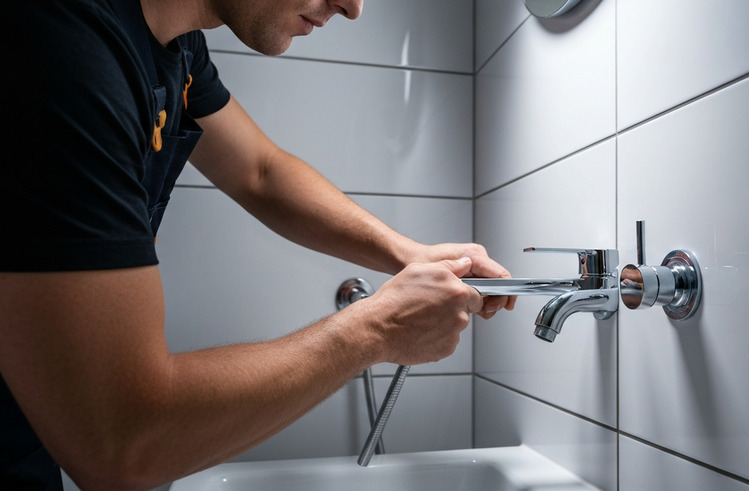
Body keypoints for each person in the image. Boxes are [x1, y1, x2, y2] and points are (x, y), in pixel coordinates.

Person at [0, 0, 515, 489]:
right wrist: (377, 327)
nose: (353, 7)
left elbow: (260, 171)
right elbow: (123, 441)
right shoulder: (62, 44)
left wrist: (411, 255)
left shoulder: (175, 44)